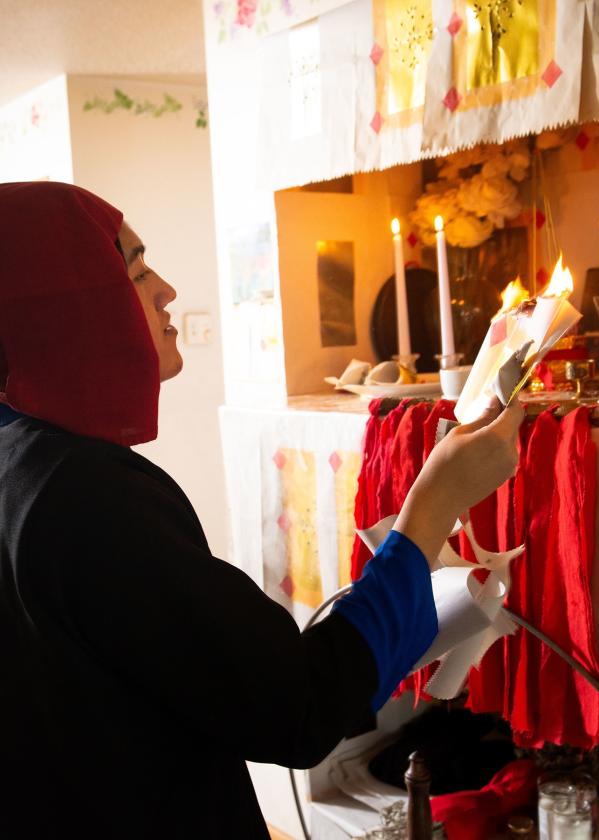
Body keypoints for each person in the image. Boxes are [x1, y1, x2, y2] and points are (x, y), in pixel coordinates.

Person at [0, 181, 523, 839]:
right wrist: (432, 509)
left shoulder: (22, 463)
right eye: (133, 269)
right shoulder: (83, 493)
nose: (165, 289)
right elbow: (297, 707)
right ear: (65, 312)